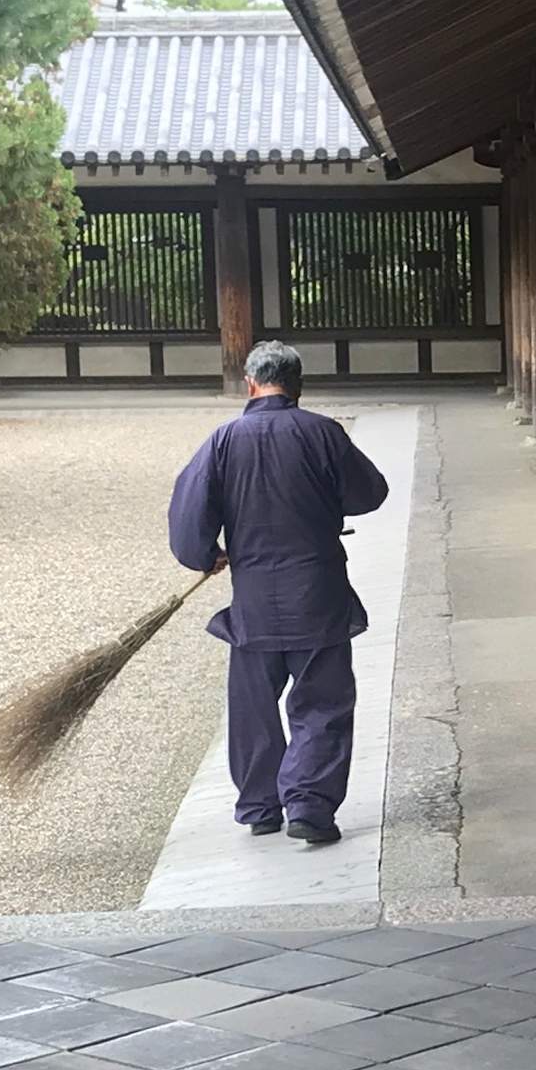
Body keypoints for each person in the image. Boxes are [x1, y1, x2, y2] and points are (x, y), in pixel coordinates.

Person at [168, 340, 388, 845]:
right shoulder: (322, 434)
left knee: (253, 707)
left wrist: (207, 554)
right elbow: (369, 493)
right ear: (297, 384)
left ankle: (260, 805)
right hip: (317, 590)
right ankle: (309, 805)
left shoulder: (223, 441)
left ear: (250, 384)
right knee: (322, 703)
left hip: (254, 599)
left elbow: (187, 518)